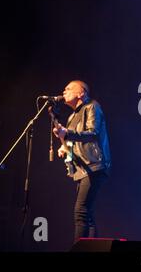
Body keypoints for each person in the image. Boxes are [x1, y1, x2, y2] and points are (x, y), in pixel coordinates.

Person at [53, 80, 111, 243]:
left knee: (80, 211)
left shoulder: (92, 106)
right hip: (83, 169)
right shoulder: (72, 116)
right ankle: (91, 247)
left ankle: (79, 248)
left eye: (69, 88)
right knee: (88, 214)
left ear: (81, 93)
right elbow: (74, 140)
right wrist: (65, 147)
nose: (64, 91)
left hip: (94, 165)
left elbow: (92, 133)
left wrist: (67, 133)